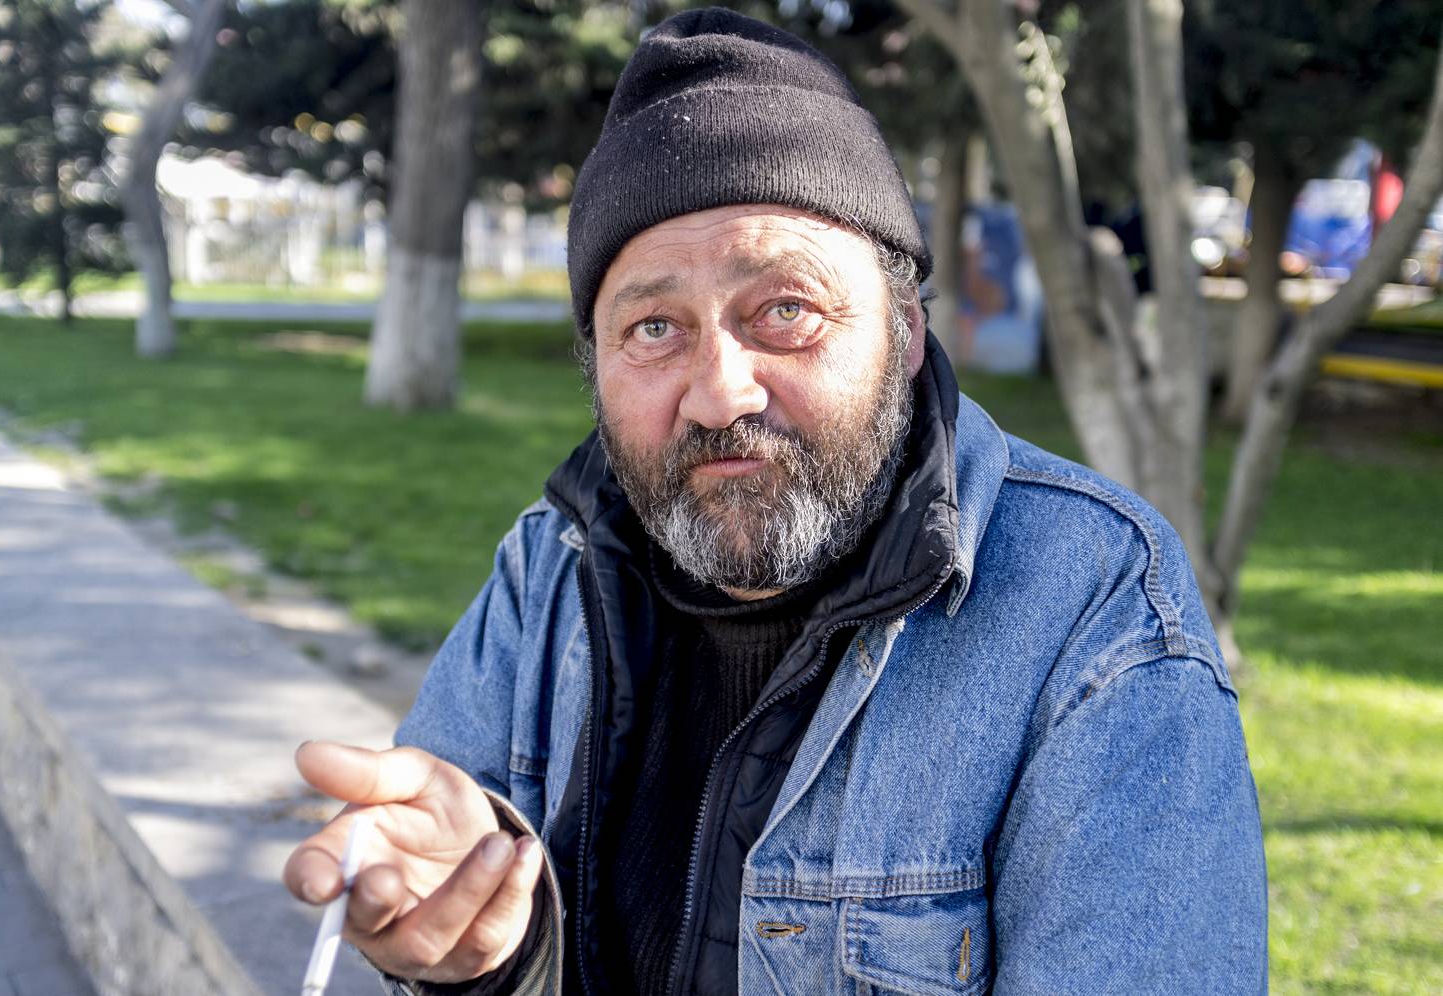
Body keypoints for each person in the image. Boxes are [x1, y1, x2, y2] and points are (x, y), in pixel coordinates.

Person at [283, 8, 1267, 995]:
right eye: (655, 327)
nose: (720, 394)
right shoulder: (550, 565)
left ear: (905, 331)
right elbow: (448, 885)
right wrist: (495, 958)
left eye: (786, 311)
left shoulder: (1093, 603)